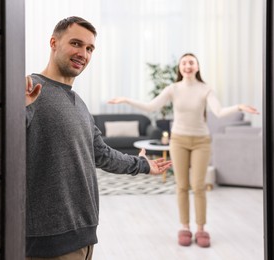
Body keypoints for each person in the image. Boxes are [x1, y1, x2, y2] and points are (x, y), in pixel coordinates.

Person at [25, 16, 172, 260]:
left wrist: (143, 165)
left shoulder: (79, 104)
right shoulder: (30, 91)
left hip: (84, 235)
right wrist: (16, 109)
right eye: (76, 43)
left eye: (89, 48)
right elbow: (0, 149)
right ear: (53, 42)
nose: (83, 53)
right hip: (49, 242)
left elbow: (101, 153)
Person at [108, 53, 259, 248]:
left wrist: (239, 106)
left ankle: (201, 228)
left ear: (197, 67)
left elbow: (219, 112)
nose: (188, 66)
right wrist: (126, 100)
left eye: (191, 62)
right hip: (178, 140)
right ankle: (185, 227)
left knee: (198, 186)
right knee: (181, 185)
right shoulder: (173, 89)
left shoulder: (205, 89)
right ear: (180, 68)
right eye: (184, 63)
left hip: (201, 141)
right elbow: (151, 106)